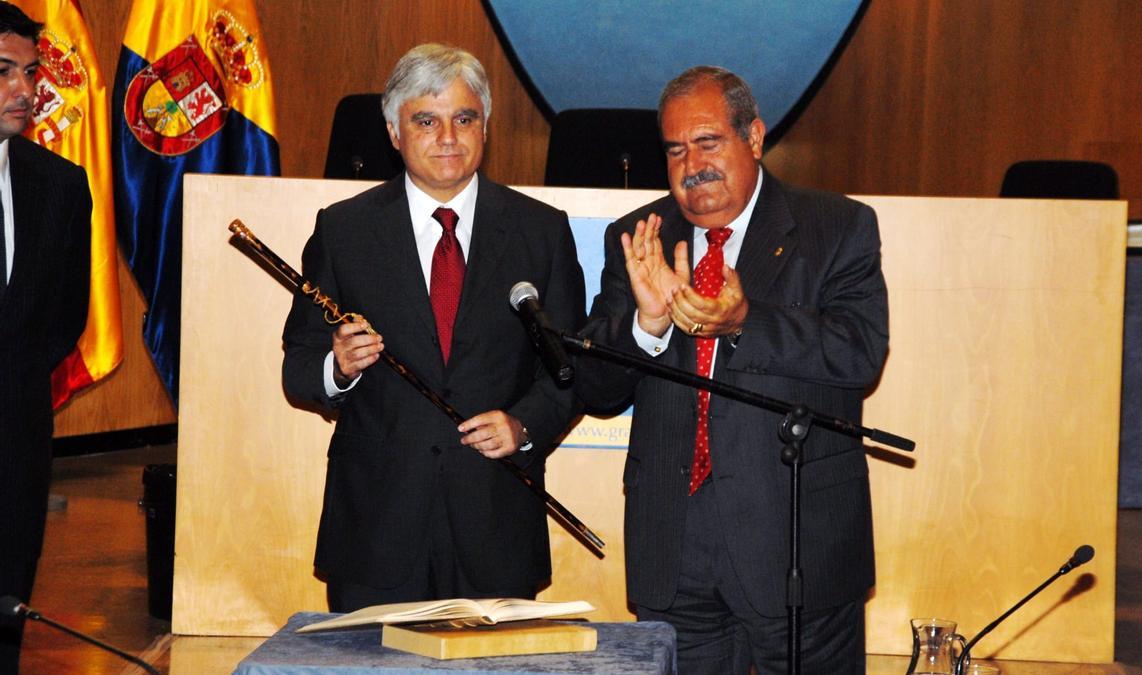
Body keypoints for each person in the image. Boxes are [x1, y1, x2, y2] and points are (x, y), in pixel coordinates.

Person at [574, 66, 889, 673]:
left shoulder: (836, 228)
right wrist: (647, 326)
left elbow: (860, 352)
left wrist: (747, 320)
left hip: (797, 543)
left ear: (754, 137)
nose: (691, 163)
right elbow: (593, 385)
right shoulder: (640, 238)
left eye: (708, 141)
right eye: (674, 149)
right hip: (675, 545)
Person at [282, 43, 585, 612]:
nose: (448, 137)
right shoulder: (344, 231)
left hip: (495, 524)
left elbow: (569, 371)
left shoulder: (540, 232)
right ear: (395, 133)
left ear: (486, 128)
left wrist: (523, 426)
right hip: (376, 529)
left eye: (464, 119)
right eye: (426, 120)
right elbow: (300, 365)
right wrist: (338, 367)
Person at [0, 2, 92, 671]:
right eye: (3, 71)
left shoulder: (60, 185)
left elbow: (65, 317)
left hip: (15, 446)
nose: (25, 90)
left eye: (30, 73)